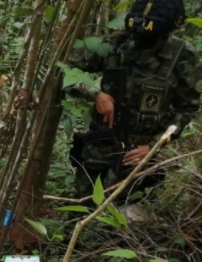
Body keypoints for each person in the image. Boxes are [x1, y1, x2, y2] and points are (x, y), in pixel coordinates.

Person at [66, 0, 200, 216]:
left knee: (121, 215)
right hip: (101, 142)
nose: (139, 41)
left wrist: (154, 146)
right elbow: (64, 71)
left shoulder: (183, 56)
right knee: (82, 209)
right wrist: (95, 94)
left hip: (140, 152)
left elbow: (187, 108)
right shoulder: (114, 44)